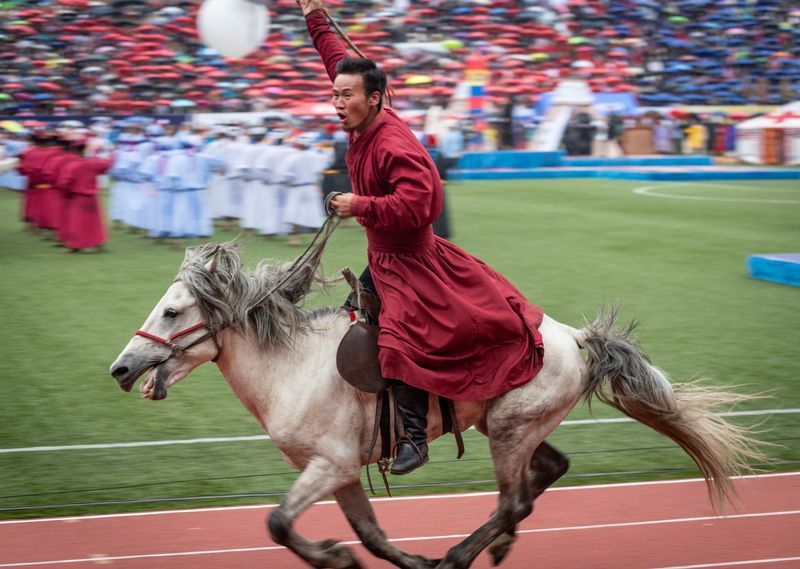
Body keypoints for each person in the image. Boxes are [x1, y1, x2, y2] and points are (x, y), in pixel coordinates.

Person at [298, 0, 545, 475]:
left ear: (373, 99)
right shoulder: (365, 109)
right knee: (359, 315)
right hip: (384, 257)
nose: (337, 102)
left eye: (345, 95)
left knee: (397, 344)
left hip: (412, 261)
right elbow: (341, 67)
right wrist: (315, 17)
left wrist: (359, 206)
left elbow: (421, 207)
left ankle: (415, 438)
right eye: (335, 95)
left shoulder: (392, 144)